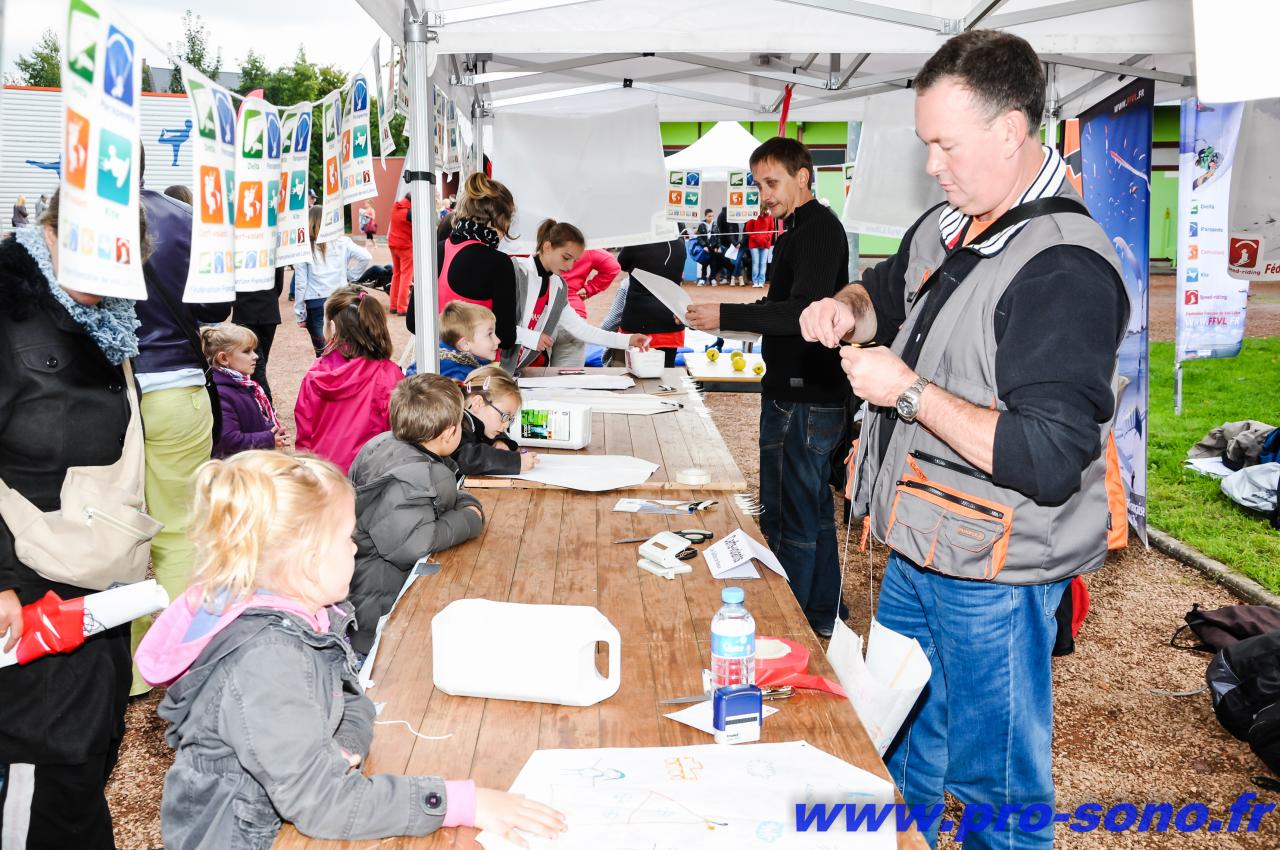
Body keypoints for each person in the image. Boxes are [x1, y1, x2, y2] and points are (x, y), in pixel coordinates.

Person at [798, 31, 1128, 850]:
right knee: (903, 744)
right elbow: (879, 293)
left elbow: (1049, 458)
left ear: (1011, 130)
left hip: (995, 571)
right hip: (919, 545)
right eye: (926, 146)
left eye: (945, 145)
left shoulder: (1062, 268)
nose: (933, 165)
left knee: (997, 788)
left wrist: (907, 392)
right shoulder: (952, 224)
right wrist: (846, 309)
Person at [134, 451, 567, 849]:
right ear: (307, 561)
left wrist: (342, 745)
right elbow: (324, 803)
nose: (356, 547)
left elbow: (352, 699)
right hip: (243, 837)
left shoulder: (311, 613)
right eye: (346, 537)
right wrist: (457, 802)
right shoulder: (270, 660)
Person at [0, 194, 145, 848]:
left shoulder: (107, 321)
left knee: (87, 754)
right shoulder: (11, 309)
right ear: (50, 232)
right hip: (27, 583)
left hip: (94, 575)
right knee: (47, 765)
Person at [685, 137, 850, 638]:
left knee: (790, 518)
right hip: (798, 390)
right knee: (813, 512)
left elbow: (805, 311)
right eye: (758, 185)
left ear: (804, 177)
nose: (764, 195)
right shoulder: (798, 230)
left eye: (771, 183)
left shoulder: (818, 231)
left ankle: (788, 627)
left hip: (804, 397)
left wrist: (727, 313)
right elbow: (788, 304)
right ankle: (822, 614)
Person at [131, 154, 231, 695]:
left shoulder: (72, 221)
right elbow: (218, 305)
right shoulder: (179, 217)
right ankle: (177, 666)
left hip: (100, 389)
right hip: (172, 383)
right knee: (176, 533)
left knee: (110, 535)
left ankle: (123, 672)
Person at [347, 375, 485, 656]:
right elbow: (414, 543)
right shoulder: (418, 474)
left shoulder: (382, 445)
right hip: (381, 604)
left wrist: (464, 502)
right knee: (382, 665)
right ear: (448, 433)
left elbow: (445, 495)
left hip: (360, 578)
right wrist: (469, 520)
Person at [507, 219, 650, 373]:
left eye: (574, 261)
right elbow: (493, 324)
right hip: (494, 367)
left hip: (517, 370)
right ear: (547, 247)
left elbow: (581, 329)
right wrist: (531, 337)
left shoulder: (558, 286)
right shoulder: (515, 271)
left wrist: (628, 339)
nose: (570, 267)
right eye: (566, 257)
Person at [405, 173, 520, 355]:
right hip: (476, 375)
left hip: (434, 366)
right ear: (499, 218)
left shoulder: (434, 251)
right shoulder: (499, 263)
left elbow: (413, 323)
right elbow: (505, 337)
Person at [294, 286, 404, 473]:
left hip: (325, 474)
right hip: (369, 474)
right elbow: (398, 432)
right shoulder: (388, 374)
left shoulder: (315, 373)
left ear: (333, 327)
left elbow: (305, 433)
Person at [200, 322, 288, 458]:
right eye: (247, 351)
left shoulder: (240, 384)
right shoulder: (221, 393)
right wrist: (268, 438)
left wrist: (270, 428)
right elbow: (227, 440)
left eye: (253, 350)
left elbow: (248, 419)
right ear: (223, 358)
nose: (255, 356)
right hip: (236, 468)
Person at [294, 206, 373, 356]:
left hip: (316, 302)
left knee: (324, 354)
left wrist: (299, 313)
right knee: (350, 349)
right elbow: (366, 257)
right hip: (342, 298)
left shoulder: (304, 247)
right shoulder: (342, 241)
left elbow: (301, 283)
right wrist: (351, 276)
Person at [617, 237, 688, 367]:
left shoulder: (637, 240)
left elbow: (621, 264)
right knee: (666, 375)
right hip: (670, 318)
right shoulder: (680, 243)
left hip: (638, 318)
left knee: (633, 376)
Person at [456, 365, 538, 476]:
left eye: (510, 419)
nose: (507, 424)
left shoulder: (478, 422)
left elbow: (487, 433)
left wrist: (500, 441)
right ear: (478, 403)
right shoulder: (456, 424)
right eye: (504, 416)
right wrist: (515, 462)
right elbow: (468, 459)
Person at [548, 248, 623, 367]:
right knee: (569, 378)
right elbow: (612, 265)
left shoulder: (532, 244)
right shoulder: (584, 247)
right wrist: (590, 289)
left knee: (532, 376)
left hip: (539, 315)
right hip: (574, 314)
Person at [231, 266, 286, 402]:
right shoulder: (270, 247)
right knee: (257, 363)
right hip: (265, 308)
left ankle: (262, 402)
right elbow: (279, 282)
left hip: (249, 309)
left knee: (258, 363)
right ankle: (263, 402)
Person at [437, 300, 501, 380]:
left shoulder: (442, 359)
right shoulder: (462, 377)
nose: (498, 340)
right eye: (489, 334)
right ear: (465, 344)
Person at [387, 192, 413, 315]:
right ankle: (402, 307)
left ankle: (393, 305)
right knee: (406, 277)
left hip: (393, 244)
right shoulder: (409, 213)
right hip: (405, 247)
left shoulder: (395, 206)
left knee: (396, 274)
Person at [743, 209, 776, 288]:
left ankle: (761, 281)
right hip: (754, 243)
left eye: (764, 210)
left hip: (765, 243)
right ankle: (755, 281)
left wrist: (767, 237)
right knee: (756, 263)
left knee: (763, 263)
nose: (763, 212)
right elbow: (748, 230)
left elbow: (771, 229)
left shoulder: (770, 216)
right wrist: (756, 238)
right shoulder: (753, 216)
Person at [715, 206, 745, 286]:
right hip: (728, 243)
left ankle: (734, 277)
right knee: (728, 261)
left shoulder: (737, 219)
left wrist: (739, 243)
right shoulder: (725, 216)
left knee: (736, 261)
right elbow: (725, 231)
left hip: (735, 243)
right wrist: (734, 243)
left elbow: (745, 234)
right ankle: (727, 277)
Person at [694, 208, 719, 285]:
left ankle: (713, 279)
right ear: (705, 216)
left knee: (713, 264)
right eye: (709, 216)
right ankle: (703, 279)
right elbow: (699, 236)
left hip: (713, 248)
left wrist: (717, 247)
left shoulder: (715, 224)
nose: (711, 218)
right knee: (704, 264)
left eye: (712, 216)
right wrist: (704, 246)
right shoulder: (701, 225)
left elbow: (718, 236)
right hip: (705, 248)